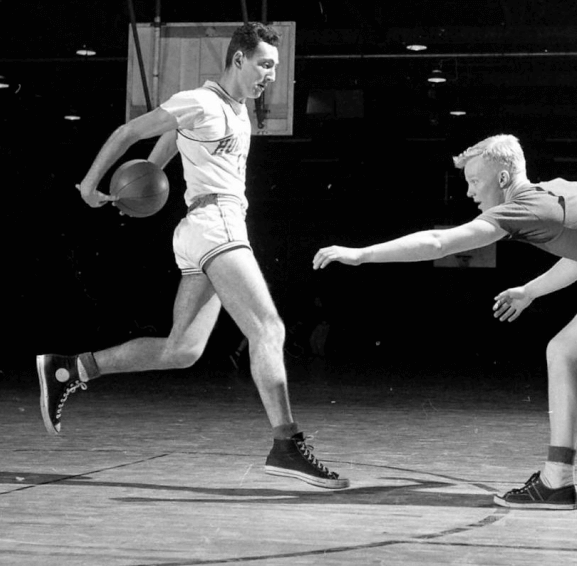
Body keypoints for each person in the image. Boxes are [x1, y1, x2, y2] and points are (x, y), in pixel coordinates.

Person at [312, 134, 577, 508]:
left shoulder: (519, 209)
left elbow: (440, 242)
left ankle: (555, 482)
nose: (470, 192)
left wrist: (362, 254)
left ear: (501, 178)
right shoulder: (558, 191)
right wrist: (531, 290)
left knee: (564, 352)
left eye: (474, 182)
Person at [36, 22, 347, 490]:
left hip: (208, 230)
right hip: (213, 225)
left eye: (276, 68)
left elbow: (161, 154)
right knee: (269, 328)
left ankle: (70, 368)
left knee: (182, 351)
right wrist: (92, 185)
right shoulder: (199, 100)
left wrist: (143, 184)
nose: (272, 75)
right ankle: (286, 444)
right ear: (238, 59)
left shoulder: (238, 110)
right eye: (265, 64)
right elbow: (128, 132)